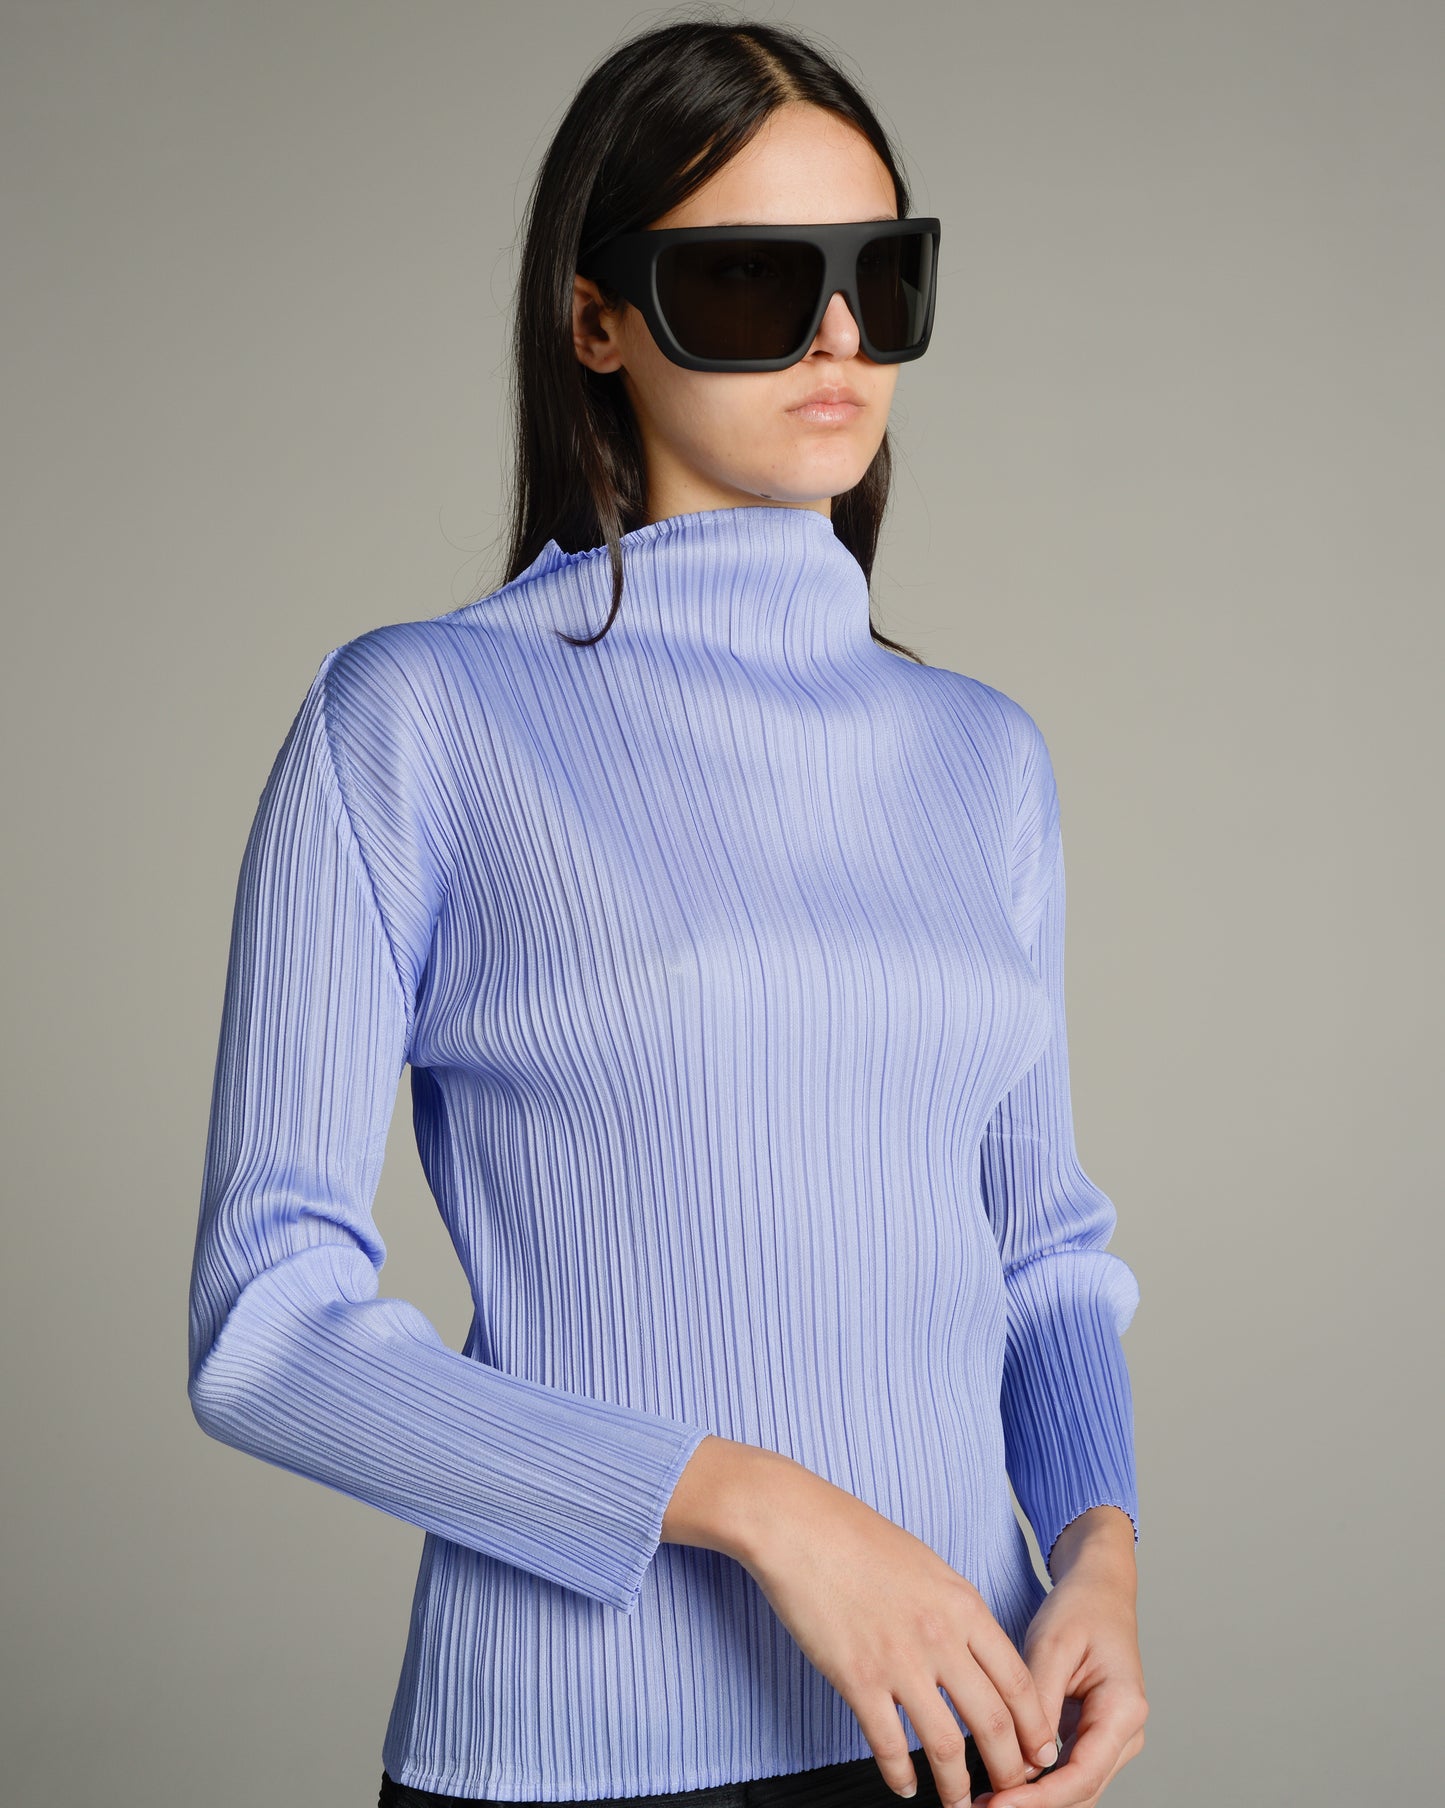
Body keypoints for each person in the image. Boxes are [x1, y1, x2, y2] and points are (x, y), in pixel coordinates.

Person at [185, 18, 1147, 1808]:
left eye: (880, 275)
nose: (837, 334)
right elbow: (267, 1333)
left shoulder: (979, 754)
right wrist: (759, 1508)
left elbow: (1039, 1252)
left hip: (972, 1724)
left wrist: (1097, 1544)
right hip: (582, 1752)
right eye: (754, 279)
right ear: (596, 318)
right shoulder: (416, 718)